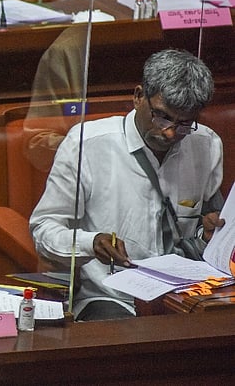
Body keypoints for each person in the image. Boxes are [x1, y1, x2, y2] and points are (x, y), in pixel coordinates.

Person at [30, 49, 225, 321]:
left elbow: (214, 227)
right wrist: (90, 242)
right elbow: (43, 229)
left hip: (187, 293)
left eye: (184, 124)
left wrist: (211, 233)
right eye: (162, 116)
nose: (170, 132)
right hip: (111, 295)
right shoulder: (86, 144)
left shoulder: (206, 145)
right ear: (138, 97)